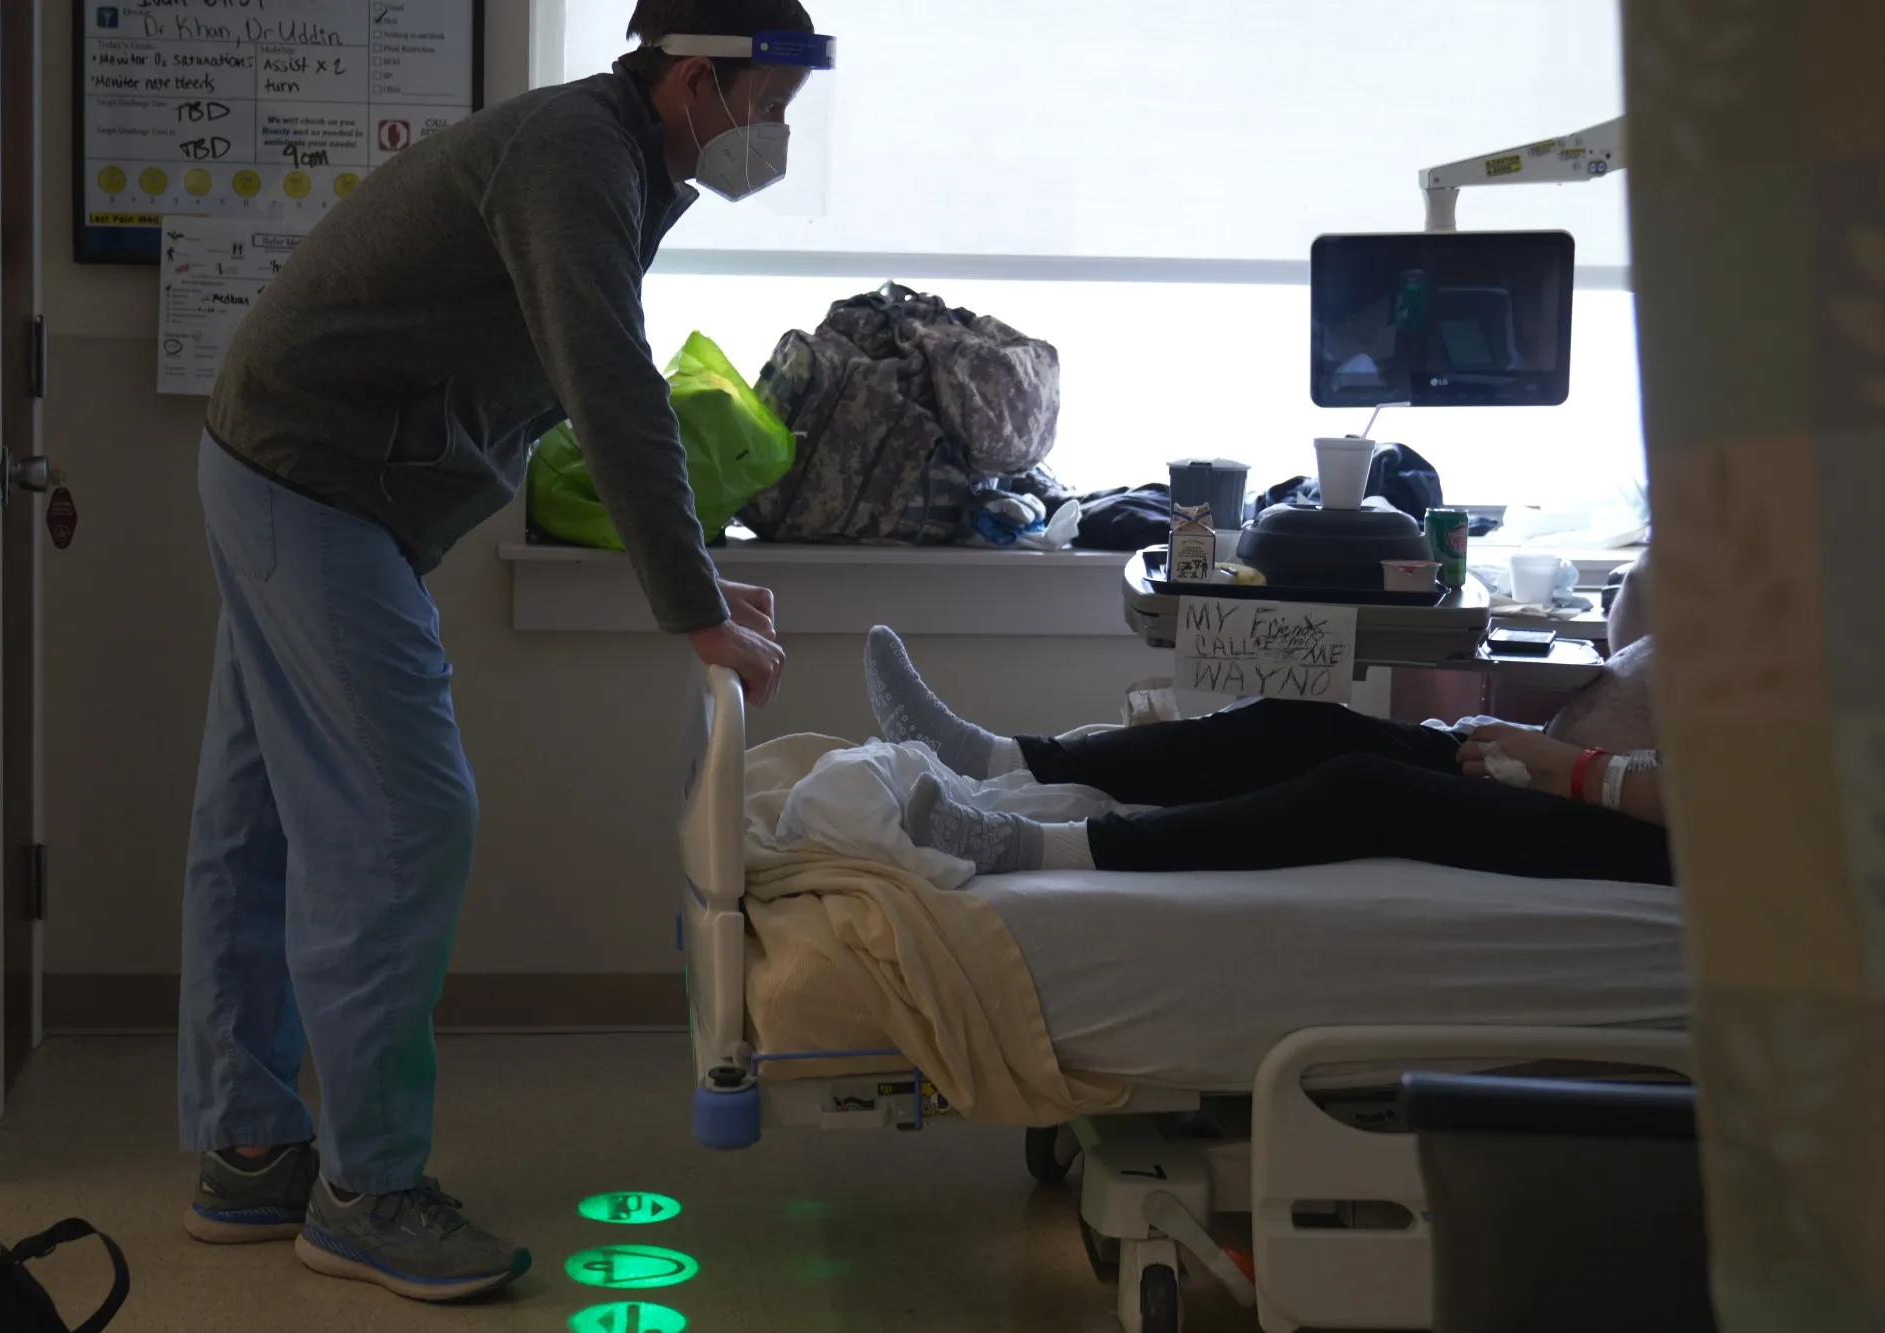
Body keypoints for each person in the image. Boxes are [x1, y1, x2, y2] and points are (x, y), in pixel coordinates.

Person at [176, 0, 822, 1301]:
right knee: (408, 817)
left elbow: (556, 401)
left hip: (296, 470)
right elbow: (612, 384)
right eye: (771, 101)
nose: (779, 132)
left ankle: (248, 1149)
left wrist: (692, 571)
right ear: (697, 79)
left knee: (253, 823)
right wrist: (692, 605)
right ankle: (366, 1191)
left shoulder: (619, 161)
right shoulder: (576, 157)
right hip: (314, 476)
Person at [864, 554, 1671, 887]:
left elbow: (1743, 807)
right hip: (1566, 768)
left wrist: (1571, 769)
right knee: (1305, 722)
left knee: (1361, 789)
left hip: (1649, 832)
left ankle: (1024, 846)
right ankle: (997, 756)